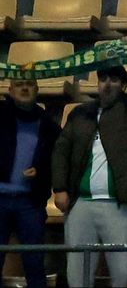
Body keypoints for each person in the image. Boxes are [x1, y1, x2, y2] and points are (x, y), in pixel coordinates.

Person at [53, 56, 127, 288]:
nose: (107, 84)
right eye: (102, 79)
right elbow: (61, 150)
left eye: (113, 79)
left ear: (123, 85)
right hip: (81, 205)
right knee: (77, 277)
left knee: (123, 276)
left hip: (119, 206)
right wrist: (59, 188)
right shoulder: (80, 113)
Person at [0, 79, 60, 288]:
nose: (24, 88)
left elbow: (57, 162)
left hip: (31, 203)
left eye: (29, 84)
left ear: (37, 89)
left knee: (34, 265)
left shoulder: (49, 125)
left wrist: (41, 171)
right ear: (9, 90)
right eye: (18, 84)